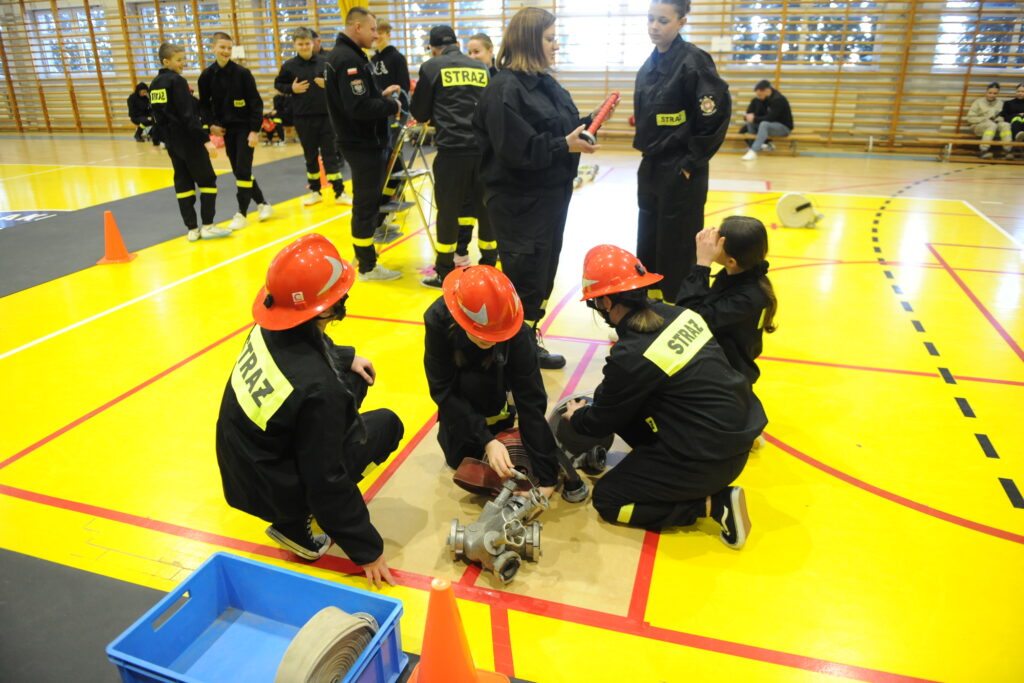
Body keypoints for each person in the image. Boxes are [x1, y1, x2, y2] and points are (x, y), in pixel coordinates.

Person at [215, 233, 405, 589]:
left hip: (244, 466)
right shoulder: (319, 389)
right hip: (273, 485)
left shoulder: (271, 325)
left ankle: (292, 507)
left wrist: (347, 358)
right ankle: (295, 523)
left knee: (355, 382)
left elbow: (306, 343)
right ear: (332, 306)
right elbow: (326, 479)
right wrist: (367, 548)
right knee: (386, 426)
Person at [562, 245, 766, 547]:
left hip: (708, 461)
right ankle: (670, 471)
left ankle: (713, 504)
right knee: (631, 405)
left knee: (608, 500)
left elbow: (599, 421)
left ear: (605, 301)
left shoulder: (632, 355)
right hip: (734, 438)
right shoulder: (681, 314)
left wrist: (576, 416)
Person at [474, 6, 598, 370]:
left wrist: (587, 126)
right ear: (530, 41)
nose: (555, 45)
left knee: (542, 274)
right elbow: (517, 150)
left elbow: (559, 129)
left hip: (548, 197)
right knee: (525, 277)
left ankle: (525, 342)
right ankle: (510, 356)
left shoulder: (547, 83)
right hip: (518, 202)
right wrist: (565, 144)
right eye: (549, 38)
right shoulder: (504, 89)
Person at [423, 265, 558, 499]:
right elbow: (442, 389)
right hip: (461, 405)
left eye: (497, 335)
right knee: (460, 462)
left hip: (496, 393)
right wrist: (486, 440)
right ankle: (484, 434)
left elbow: (531, 399)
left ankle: (502, 424)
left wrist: (547, 479)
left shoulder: (517, 331)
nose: (490, 340)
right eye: (483, 335)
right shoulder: (438, 319)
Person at [634, 0, 731, 302]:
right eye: (650, 19)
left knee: (677, 245)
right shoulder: (648, 66)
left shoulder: (694, 62)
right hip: (651, 166)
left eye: (663, 21)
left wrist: (690, 162)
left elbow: (713, 115)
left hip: (681, 168)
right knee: (649, 239)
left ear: (681, 22)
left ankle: (676, 308)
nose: (654, 27)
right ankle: (648, 306)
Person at [410, 25, 496, 289]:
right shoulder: (481, 69)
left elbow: (421, 113)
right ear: (457, 44)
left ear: (433, 48)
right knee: (485, 211)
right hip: (483, 152)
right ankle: (489, 266)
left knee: (448, 213)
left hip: (452, 152)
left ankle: (445, 271)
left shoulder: (432, 67)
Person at [324, 7, 404, 282]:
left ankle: (365, 255)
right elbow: (358, 106)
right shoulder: (348, 59)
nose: (376, 34)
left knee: (370, 201)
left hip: (363, 139)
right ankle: (367, 266)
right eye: (372, 29)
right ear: (357, 27)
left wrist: (380, 95)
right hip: (361, 142)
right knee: (366, 203)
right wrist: (390, 105)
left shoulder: (351, 55)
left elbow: (359, 98)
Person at [675, 216, 777, 386]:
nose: (712, 244)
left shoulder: (749, 297)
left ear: (731, 261)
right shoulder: (733, 275)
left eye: (719, 241)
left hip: (726, 377)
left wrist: (702, 264)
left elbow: (688, 319)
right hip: (715, 360)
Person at [148, 43, 230, 242]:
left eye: (183, 59)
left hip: (172, 142)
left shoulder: (154, 84)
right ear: (166, 61)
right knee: (208, 180)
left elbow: (157, 115)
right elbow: (187, 115)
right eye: (179, 60)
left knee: (183, 181)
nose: (182, 64)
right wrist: (205, 140)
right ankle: (208, 226)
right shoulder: (177, 81)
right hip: (189, 140)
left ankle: (192, 229)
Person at [198, 32, 274, 231]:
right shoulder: (206, 76)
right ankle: (263, 204)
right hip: (225, 130)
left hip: (245, 128)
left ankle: (241, 213)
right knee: (240, 171)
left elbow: (256, 104)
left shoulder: (242, 74)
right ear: (213, 48)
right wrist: (211, 125)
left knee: (242, 169)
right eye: (222, 47)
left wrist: (254, 130)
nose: (225, 51)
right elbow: (204, 106)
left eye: (228, 48)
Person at [275, 27, 352, 206]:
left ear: (313, 43)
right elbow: (278, 84)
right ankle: (315, 191)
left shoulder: (325, 62)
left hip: (326, 116)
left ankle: (339, 192)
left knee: (330, 155)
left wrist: (327, 84)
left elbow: (341, 83)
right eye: (300, 44)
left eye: (307, 43)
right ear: (294, 45)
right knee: (310, 156)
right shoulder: (288, 66)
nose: (304, 47)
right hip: (302, 118)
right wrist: (290, 89)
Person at [370, 20, 412, 243]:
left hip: (395, 113)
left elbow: (404, 86)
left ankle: (395, 198)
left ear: (386, 34)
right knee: (386, 163)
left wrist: (397, 107)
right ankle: (385, 212)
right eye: (373, 33)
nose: (375, 36)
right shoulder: (372, 59)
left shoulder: (396, 57)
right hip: (379, 114)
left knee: (395, 161)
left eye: (379, 33)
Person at [741, 79, 792, 161]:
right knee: (750, 124)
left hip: (784, 128)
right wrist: (749, 118)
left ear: (766, 91)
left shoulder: (778, 100)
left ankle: (753, 151)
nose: (759, 97)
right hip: (772, 126)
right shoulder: (767, 98)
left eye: (760, 94)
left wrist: (754, 118)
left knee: (764, 124)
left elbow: (770, 118)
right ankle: (753, 146)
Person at [967, 82, 1013, 160]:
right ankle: (984, 150)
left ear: (997, 94)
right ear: (986, 92)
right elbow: (970, 118)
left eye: (995, 93)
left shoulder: (1000, 103)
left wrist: (1000, 118)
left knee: (1005, 125)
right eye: (990, 93)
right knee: (991, 125)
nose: (992, 95)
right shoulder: (978, 102)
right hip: (978, 126)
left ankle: (1008, 150)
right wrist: (984, 119)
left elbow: (1003, 115)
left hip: (995, 125)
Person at [1001, 82, 1024, 154]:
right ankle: (1018, 137)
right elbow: (1004, 116)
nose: (1020, 93)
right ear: (1016, 92)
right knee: (1017, 119)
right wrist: (1017, 115)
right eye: (1018, 91)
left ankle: (1019, 139)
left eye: (1023, 91)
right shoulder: (1008, 103)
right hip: (1013, 124)